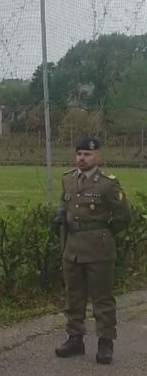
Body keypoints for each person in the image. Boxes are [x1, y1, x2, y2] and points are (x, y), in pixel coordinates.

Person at [52, 138, 131, 364]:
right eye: (79, 154)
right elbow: (64, 203)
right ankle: (75, 338)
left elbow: (124, 216)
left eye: (87, 154)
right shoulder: (68, 179)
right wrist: (60, 216)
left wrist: (104, 233)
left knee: (102, 298)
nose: (82, 158)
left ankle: (106, 342)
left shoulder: (107, 184)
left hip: (99, 249)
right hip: (73, 247)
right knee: (73, 296)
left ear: (97, 157)